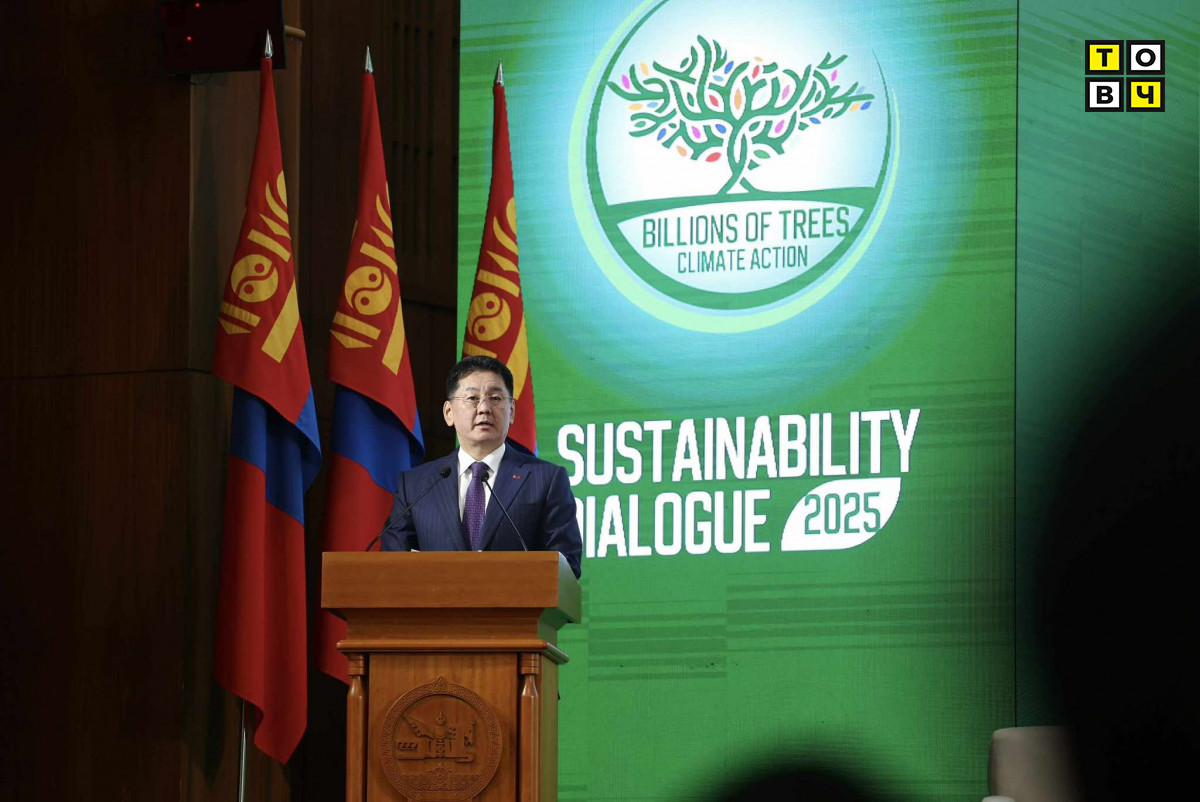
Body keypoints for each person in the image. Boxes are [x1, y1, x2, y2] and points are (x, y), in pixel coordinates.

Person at [378, 355, 582, 577]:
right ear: (448, 413)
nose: (484, 408)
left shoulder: (546, 479)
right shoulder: (415, 486)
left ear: (511, 411)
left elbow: (566, 567)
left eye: (495, 398)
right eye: (472, 398)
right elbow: (392, 567)